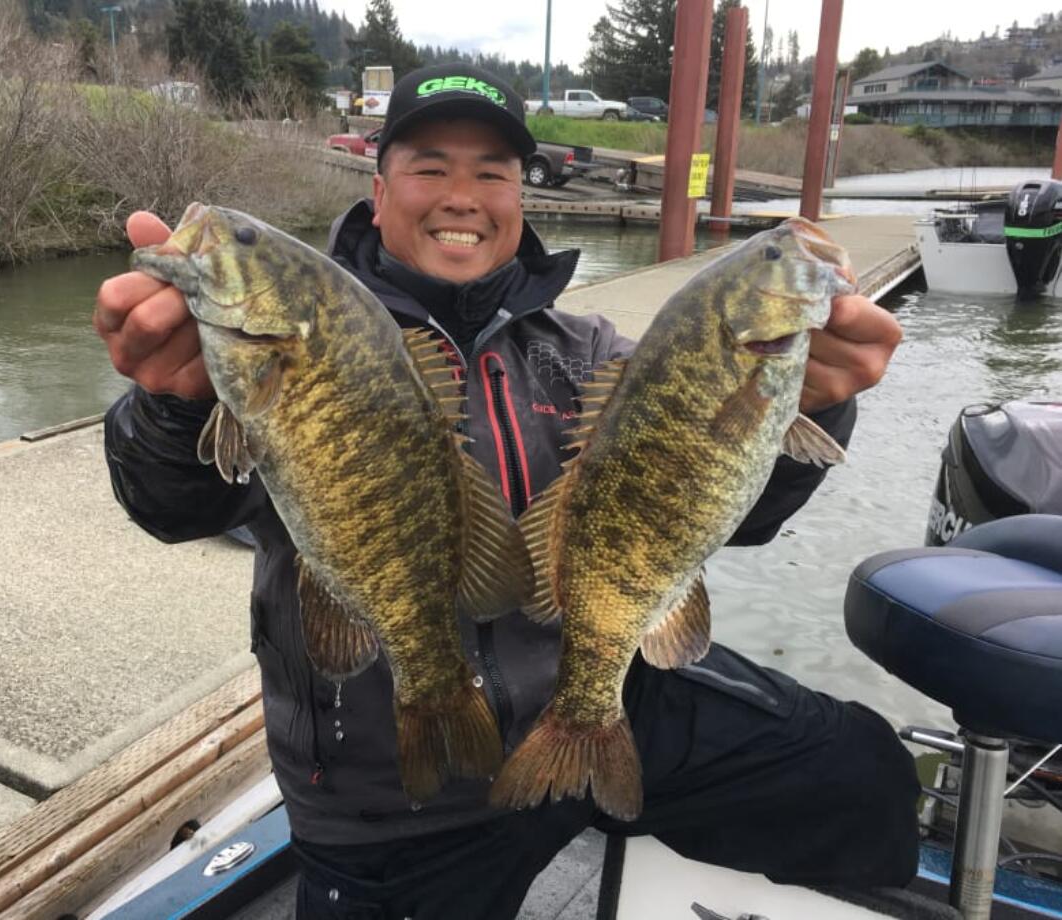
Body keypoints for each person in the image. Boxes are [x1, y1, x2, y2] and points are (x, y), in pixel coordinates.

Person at [94, 64, 918, 919]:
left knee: (862, 773)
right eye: (430, 167)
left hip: (606, 698)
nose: (462, 196)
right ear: (378, 192)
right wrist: (168, 405)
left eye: (491, 172)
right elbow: (167, 507)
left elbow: (724, 517)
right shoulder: (298, 338)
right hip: (389, 788)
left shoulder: (594, 351)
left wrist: (813, 401)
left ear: (522, 196)